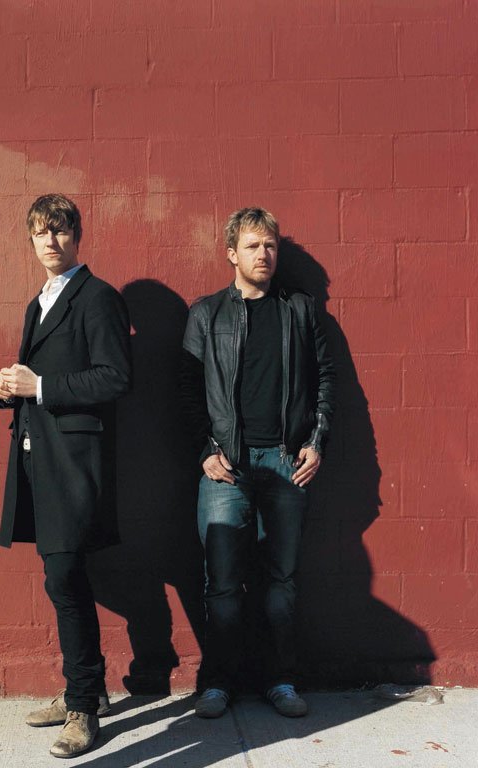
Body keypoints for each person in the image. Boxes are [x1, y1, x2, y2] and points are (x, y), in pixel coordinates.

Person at [179, 207, 335, 719]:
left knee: (280, 583)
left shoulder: (301, 309)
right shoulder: (206, 314)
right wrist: (205, 451)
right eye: (252, 246)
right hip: (228, 466)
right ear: (232, 254)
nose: (263, 254)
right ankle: (217, 683)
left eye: (270, 245)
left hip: (287, 463)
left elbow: (326, 378)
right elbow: (186, 391)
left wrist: (317, 440)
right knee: (222, 584)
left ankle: (280, 680)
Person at [0, 194, 132, 758]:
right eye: (40, 233)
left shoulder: (97, 297)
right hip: (38, 456)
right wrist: (12, 389)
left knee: (65, 576)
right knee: (62, 577)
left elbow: (115, 377)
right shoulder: (39, 301)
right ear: (30, 240)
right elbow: (39, 375)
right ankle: (88, 689)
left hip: (74, 462)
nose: (50, 241)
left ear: (77, 235)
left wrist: (40, 387)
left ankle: (83, 706)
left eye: (60, 231)